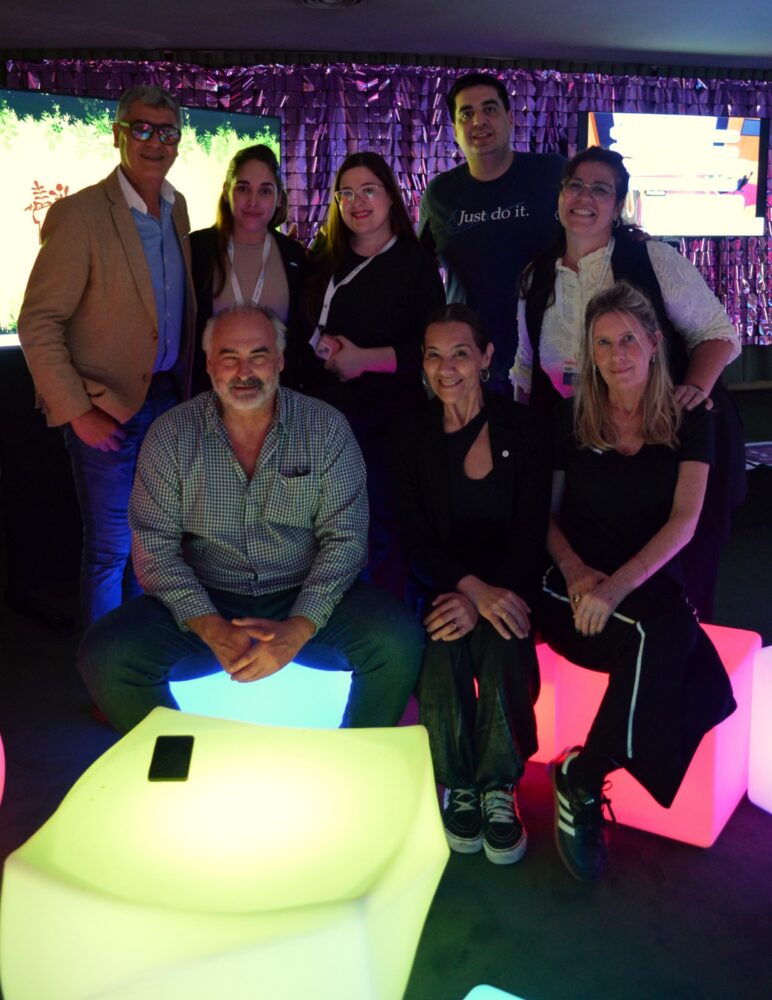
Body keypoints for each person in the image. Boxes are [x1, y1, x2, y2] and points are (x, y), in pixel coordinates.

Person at [77, 305, 423, 734]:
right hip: (208, 594)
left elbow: (346, 540)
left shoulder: (326, 428)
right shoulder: (171, 434)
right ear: (209, 365)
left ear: (280, 360)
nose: (244, 372)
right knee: (105, 654)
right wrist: (211, 627)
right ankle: (178, 758)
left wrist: (299, 626)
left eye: (258, 355)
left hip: (303, 592)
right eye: (229, 357)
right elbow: (155, 548)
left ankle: (357, 754)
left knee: (397, 640)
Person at [540, 281, 736, 881]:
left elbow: (684, 522)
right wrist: (580, 575)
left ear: (653, 343)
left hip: (637, 588)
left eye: (628, 339)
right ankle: (584, 779)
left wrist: (617, 587)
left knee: (690, 660)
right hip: (567, 585)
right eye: (603, 343)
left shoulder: (689, 417)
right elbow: (544, 520)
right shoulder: (570, 417)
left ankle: (582, 774)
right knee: (673, 641)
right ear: (589, 353)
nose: (616, 354)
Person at [512, 145, 745, 621]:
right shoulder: (535, 276)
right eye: (576, 186)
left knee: (678, 592)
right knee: (593, 589)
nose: (585, 197)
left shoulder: (652, 259)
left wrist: (694, 391)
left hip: (664, 449)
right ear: (560, 196)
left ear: (618, 206)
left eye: (601, 190)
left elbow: (718, 335)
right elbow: (525, 369)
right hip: (587, 458)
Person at [17, 85, 195, 627]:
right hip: (105, 408)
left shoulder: (177, 208)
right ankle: (101, 667)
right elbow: (38, 321)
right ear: (118, 134)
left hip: (166, 400)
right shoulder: (80, 214)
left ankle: (134, 655)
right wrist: (77, 411)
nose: (155, 142)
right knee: (110, 550)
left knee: (151, 544)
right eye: (142, 128)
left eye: (167, 132)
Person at [391, 303, 551, 864]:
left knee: (503, 635)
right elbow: (414, 537)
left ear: (486, 357)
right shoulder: (409, 433)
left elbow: (531, 533)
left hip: (512, 580)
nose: (446, 368)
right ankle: (458, 782)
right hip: (439, 583)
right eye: (434, 355)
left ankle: (498, 784)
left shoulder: (525, 429)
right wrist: (467, 593)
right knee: (443, 641)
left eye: (460, 353)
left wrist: (486, 596)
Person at [302, 151, 445, 595]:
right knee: (327, 524)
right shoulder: (324, 255)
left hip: (390, 418)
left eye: (368, 190)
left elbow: (430, 349)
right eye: (346, 194)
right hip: (326, 414)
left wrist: (365, 359)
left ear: (389, 196)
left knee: (381, 522)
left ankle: (384, 619)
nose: (356, 202)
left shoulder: (415, 262)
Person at [419, 72, 565, 392]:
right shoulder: (440, 194)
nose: (479, 121)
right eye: (466, 114)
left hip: (548, 361)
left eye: (490, 109)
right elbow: (417, 272)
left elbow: (595, 233)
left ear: (510, 118)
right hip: (468, 367)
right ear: (454, 129)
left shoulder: (551, 173)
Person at [190, 144, 306, 392]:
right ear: (226, 192)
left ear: (278, 198)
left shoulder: (293, 255)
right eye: (243, 188)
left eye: (265, 191)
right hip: (213, 395)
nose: (253, 201)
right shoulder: (196, 250)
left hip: (276, 396)